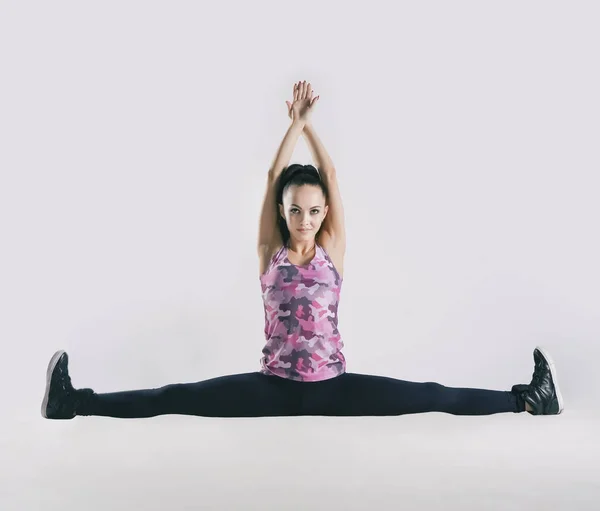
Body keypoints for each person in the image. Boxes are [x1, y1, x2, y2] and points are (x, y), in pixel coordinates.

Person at [41, 80, 564, 420]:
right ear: (283, 213)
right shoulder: (270, 251)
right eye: (296, 211)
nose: (307, 220)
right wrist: (291, 125)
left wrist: (311, 126)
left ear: (324, 215)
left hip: (336, 387)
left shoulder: (332, 250)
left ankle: (528, 400)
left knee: (430, 395)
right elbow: (273, 177)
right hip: (272, 387)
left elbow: (331, 176)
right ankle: (72, 403)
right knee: (175, 397)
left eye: (315, 212)